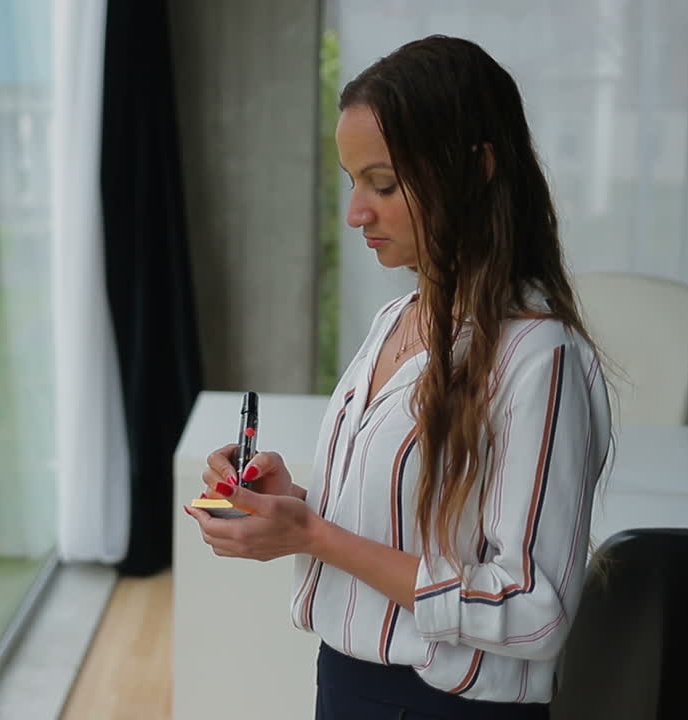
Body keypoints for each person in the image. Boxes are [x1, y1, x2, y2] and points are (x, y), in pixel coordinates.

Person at [184, 35, 613, 719]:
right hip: (348, 685)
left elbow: (533, 611)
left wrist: (313, 537)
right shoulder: (393, 321)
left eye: (382, 184)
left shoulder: (539, 356)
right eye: (353, 182)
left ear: (476, 169)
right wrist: (289, 501)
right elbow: (405, 520)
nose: (357, 212)